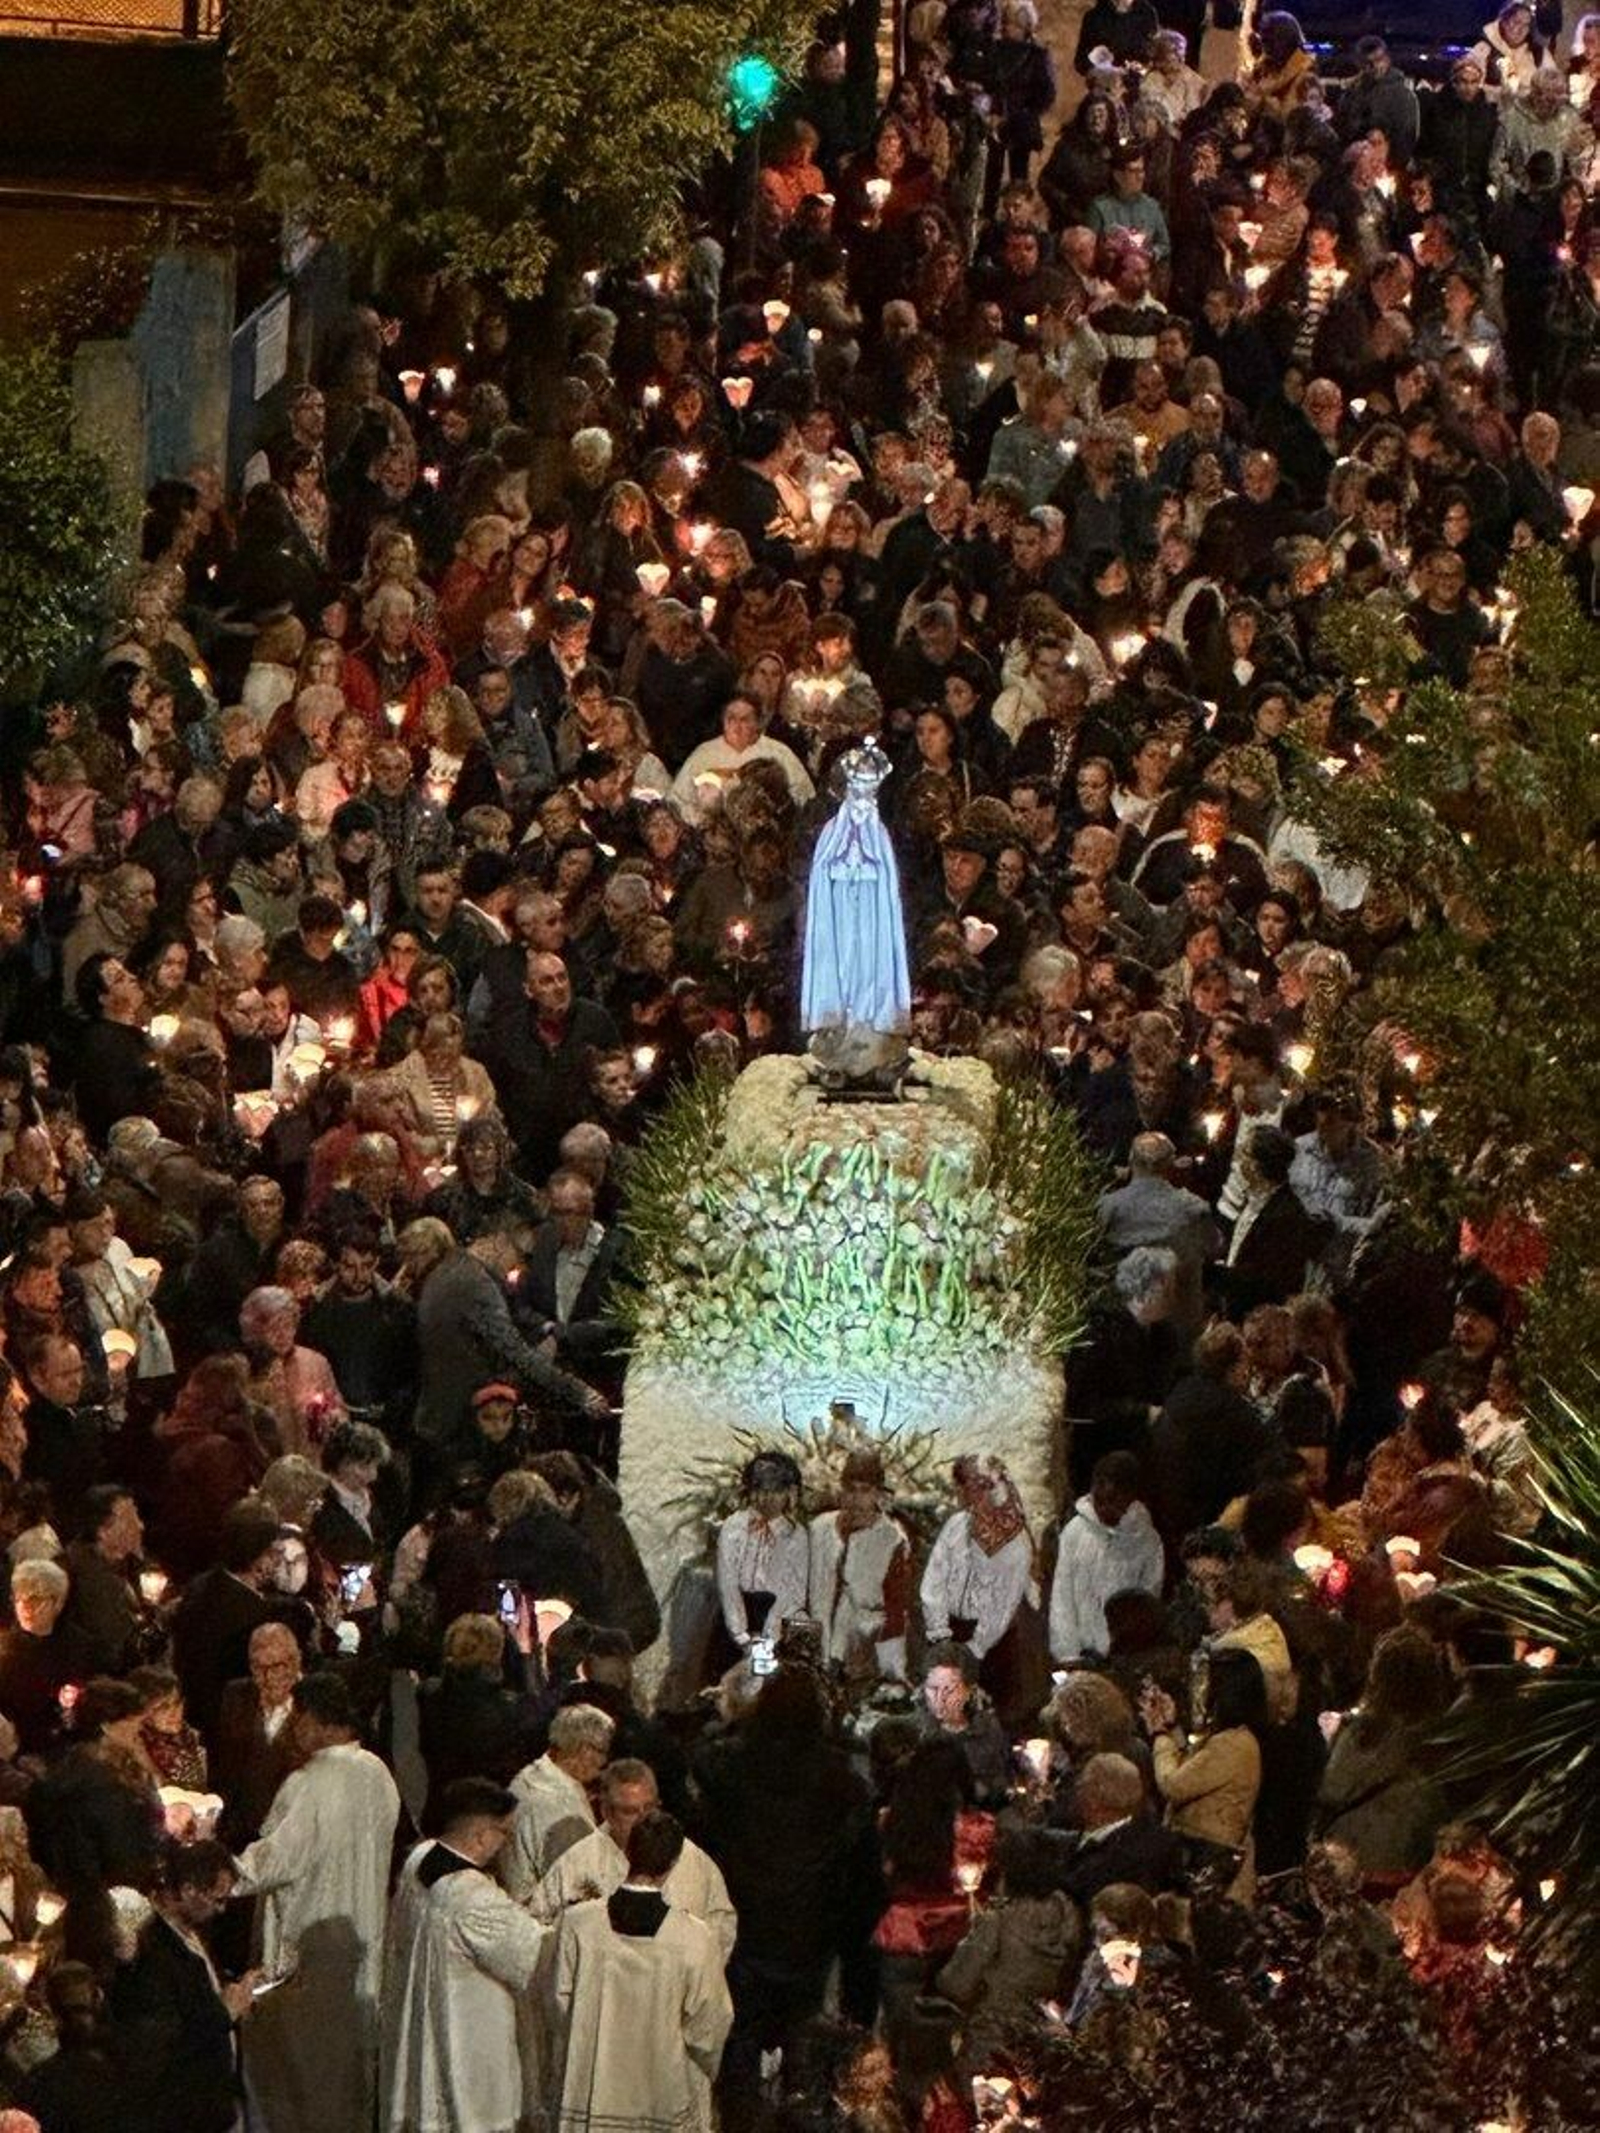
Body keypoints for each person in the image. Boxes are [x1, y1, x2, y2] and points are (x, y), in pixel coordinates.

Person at [236, 1671, 402, 2133]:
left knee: (303, 2086)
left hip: (308, 1958)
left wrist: (213, 1875)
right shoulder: (379, 1773)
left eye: (297, 1719)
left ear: (311, 1719)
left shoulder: (308, 1784)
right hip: (363, 1946)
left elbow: (271, 1862)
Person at [381, 1777, 550, 2133]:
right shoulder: (471, 1896)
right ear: (481, 1835)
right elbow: (535, 1956)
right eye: (505, 1833)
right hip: (468, 2048)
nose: (506, 1844)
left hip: (424, 2030)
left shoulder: (419, 1859)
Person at [550, 1809, 733, 2133]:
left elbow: (560, 2002)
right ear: (674, 1863)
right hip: (662, 2091)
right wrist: (703, 2069)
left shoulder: (579, 1924)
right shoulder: (694, 1937)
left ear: (628, 1852)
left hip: (593, 2087)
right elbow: (710, 2022)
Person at [108, 1839, 255, 2133]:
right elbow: (162, 2043)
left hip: (213, 2106)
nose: (223, 1909)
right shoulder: (151, 1953)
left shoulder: (190, 1933)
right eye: (218, 1899)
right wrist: (224, 2012)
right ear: (189, 1890)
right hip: (184, 2115)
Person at [534, 1757, 737, 1963]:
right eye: (629, 1811)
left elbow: (721, 1923)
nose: (643, 1819)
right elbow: (541, 1927)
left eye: (649, 1808)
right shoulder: (577, 1863)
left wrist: (698, 1976)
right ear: (606, 1812)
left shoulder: (692, 1859)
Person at [806, 1444, 913, 1682]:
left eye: (865, 1491)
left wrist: (892, 1675)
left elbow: (895, 1614)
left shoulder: (891, 1540)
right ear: (841, 1492)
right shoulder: (819, 1529)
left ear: (877, 1495)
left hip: (861, 1658)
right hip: (814, 1650)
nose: (856, 1500)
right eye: (850, 1490)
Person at [1048, 1451, 1165, 1665]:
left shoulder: (1147, 1541)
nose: (1103, 1506)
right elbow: (1061, 1598)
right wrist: (1068, 1655)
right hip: (1078, 1656)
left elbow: (1147, 1603)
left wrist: (1127, 1654)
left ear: (1130, 1497)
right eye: (1098, 1497)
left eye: (1112, 1500)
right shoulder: (1075, 1532)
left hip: (1123, 1659)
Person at [500, 1701, 614, 1903]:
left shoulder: (528, 1778)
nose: (605, 1761)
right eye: (603, 1750)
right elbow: (577, 1887)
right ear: (584, 1750)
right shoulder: (560, 1810)